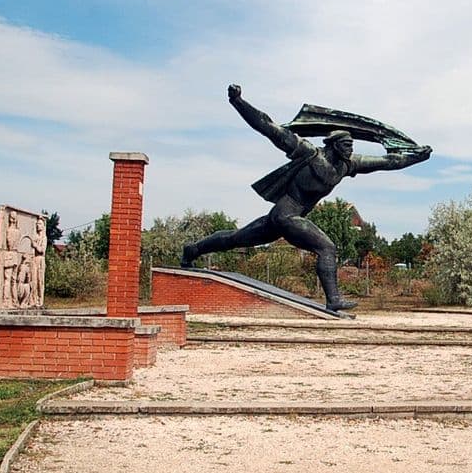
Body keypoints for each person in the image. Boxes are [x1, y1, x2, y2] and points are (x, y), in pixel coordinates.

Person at [182, 84, 431, 311]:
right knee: (327, 248)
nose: (351, 149)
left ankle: (192, 250)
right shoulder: (309, 153)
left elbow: (388, 161)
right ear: (333, 145)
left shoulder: (347, 165)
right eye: (346, 145)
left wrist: (416, 157)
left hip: (283, 217)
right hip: (286, 215)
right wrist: (238, 102)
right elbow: (268, 127)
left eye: (352, 145)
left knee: (236, 238)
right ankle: (333, 300)